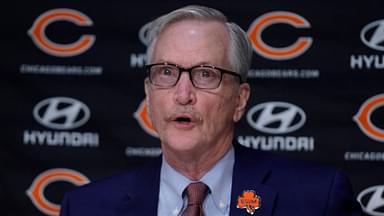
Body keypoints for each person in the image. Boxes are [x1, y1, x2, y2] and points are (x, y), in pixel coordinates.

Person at [60, 5, 362, 216]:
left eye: (205, 74)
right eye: (166, 72)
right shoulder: (86, 207)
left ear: (240, 100)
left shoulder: (317, 199)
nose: (183, 94)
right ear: (149, 94)